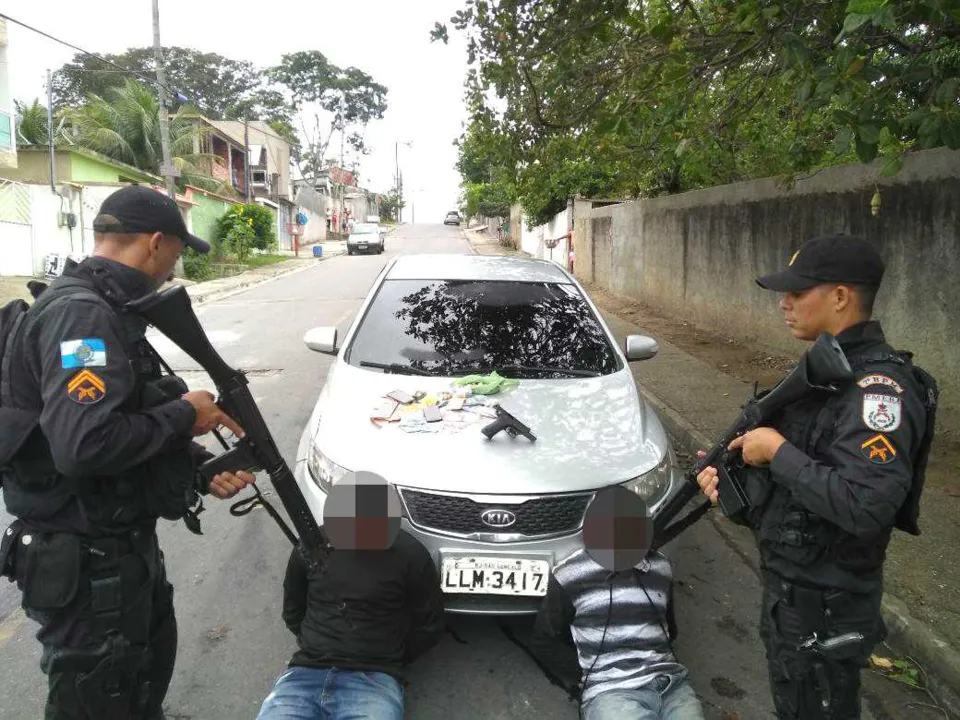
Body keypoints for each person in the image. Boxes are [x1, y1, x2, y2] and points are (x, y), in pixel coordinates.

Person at [0, 184, 257, 720]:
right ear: (155, 243)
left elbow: (113, 420)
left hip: (111, 548)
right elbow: (84, 445)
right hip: (86, 558)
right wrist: (187, 414)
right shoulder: (82, 317)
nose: (174, 268)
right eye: (178, 255)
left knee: (139, 683)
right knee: (99, 698)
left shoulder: (104, 307)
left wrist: (192, 469)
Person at [696, 234, 937, 719]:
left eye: (797, 291)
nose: (783, 303)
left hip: (826, 607)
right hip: (795, 595)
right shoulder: (825, 373)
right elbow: (800, 494)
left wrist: (778, 451)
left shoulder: (877, 392)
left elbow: (866, 506)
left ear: (841, 297)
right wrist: (736, 485)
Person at [257, 473, 445, 720]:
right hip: (303, 675)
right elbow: (293, 608)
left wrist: (390, 658)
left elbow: (429, 624)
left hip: (373, 680)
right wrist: (316, 644)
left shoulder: (411, 555)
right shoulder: (311, 544)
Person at [525, 486, 704, 719]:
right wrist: (586, 675)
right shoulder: (570, 574)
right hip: (612, 691)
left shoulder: (661, 567)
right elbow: (543, 641)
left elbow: (669, 630)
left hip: (672, 684)